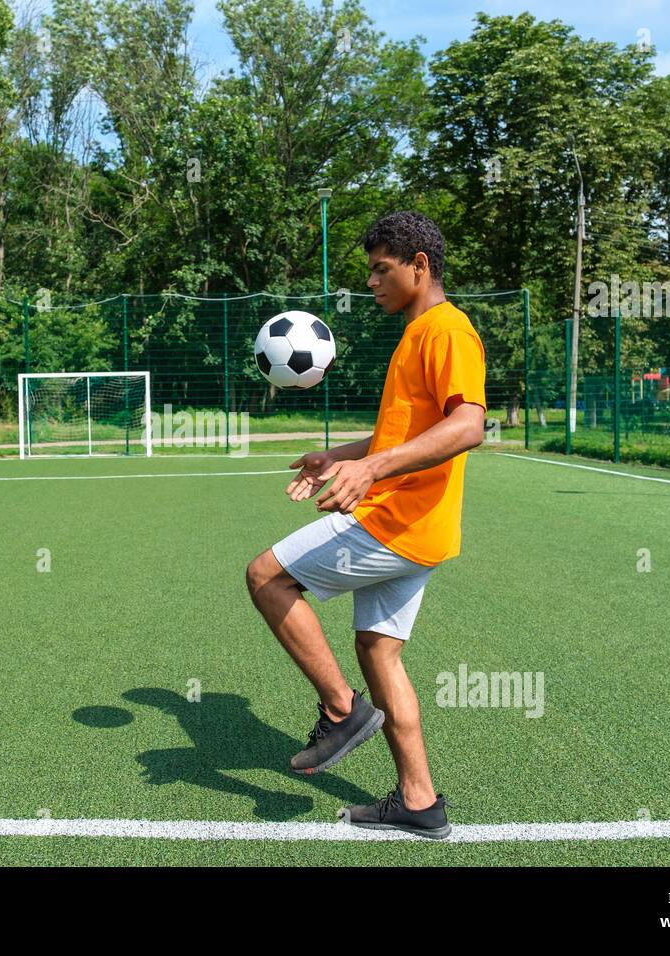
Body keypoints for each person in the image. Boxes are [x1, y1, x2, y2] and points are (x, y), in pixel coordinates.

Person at [245, 210, 486, 839]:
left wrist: (374, 469)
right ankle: (419, 799)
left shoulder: (447, 330)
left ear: (419, 266)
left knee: (267, 576)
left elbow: (468, 427)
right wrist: (344, 456)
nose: (372, 283)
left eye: (382, 270)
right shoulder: (416, 334)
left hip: (397, 524)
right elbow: (401, 433)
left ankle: (341, 710)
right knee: (380, 651)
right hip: (421, 531)